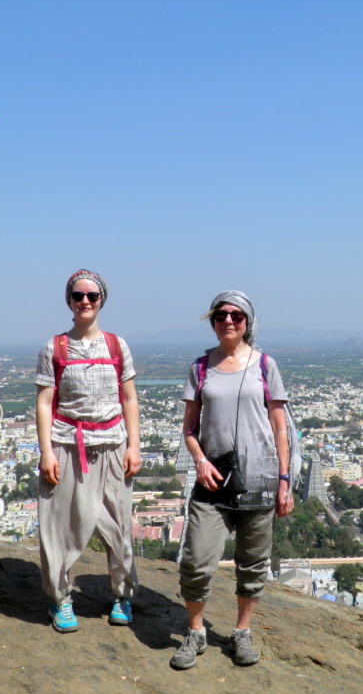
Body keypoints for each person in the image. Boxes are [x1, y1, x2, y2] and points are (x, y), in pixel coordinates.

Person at [171, 290, 294, 670]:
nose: (228, 321)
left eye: (236, 316)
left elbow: (279, 427)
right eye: (220, 315)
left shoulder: (265, 365)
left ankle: (242, 631)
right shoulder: (200, 367)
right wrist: (200, 461)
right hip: (214, 482)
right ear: (212, 320)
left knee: (253, 564)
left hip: (259, 478)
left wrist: (284, 480)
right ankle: (196, 631)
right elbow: (189, 428)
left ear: (247, 322)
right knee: (196, 560)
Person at [36, 270, 141, 633]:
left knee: (118, 523)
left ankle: (122, 593)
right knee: (58, 525)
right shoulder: (55, 348)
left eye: (92, 296)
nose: (85, 301)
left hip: (112, 444)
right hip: (67, 443)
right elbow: (45, 402)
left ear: (101, 301)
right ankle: (60, 598)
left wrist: (134, 445)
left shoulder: (116, 345)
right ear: (69, 300)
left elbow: (128, 398)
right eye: (78, 295)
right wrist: (46, 451)